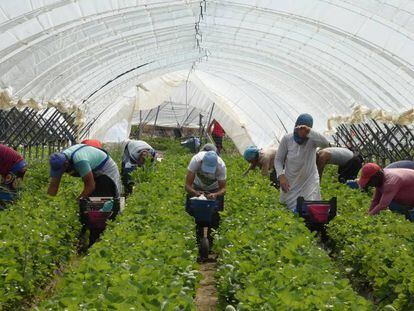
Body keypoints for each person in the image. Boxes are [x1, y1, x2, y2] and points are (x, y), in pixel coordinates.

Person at [275, 114, 329, 211]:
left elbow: (325, 144)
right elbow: (278, 160)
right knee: (285, 206)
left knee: (307, 208)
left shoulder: (312, 140)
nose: (301, 133)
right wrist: (281, 176)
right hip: (290, 180)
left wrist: (309, 131)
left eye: (305, 130)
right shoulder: (287, 139)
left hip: (309, 180)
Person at [185, 150, 226, 254]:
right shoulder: (196, 160)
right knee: (192, 213)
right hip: (197, 187)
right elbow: (187, 185)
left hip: (214, 189)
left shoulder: (221, 166)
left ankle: (210, 243)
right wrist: (195, 193)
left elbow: (223, 189)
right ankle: (195, 242)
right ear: (202, 162)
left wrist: (215, 195)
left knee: (214, 216)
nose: (208, 172)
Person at [47, 144, 121, 199]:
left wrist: (77, 201)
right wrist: (49, 202)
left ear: (66, 164)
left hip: (106, 169)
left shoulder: (80, 161)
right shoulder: (58, 160)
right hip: (93, 169)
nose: (60, 173)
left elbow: (90, 186)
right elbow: (53, 186)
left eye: (60, 170)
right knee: (90, 199)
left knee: (103, 198)